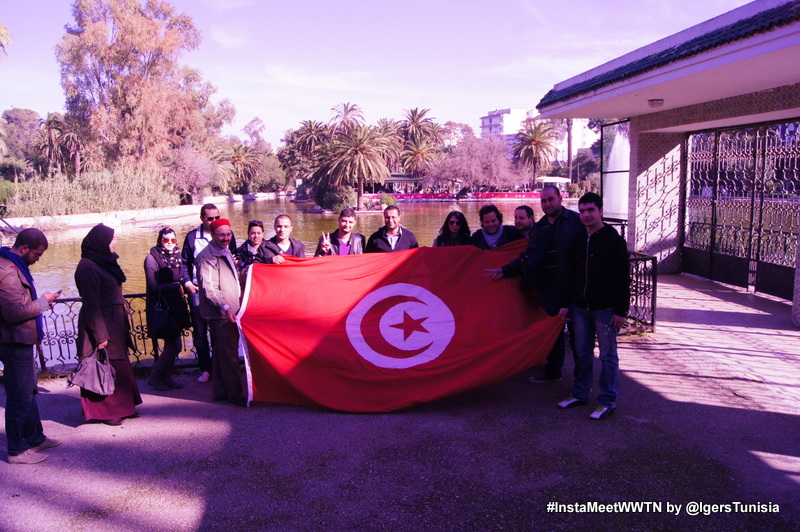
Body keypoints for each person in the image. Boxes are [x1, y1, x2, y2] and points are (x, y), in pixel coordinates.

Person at [486, 185, 584, 383]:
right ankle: (553, 373)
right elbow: (528, 257)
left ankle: (582, 382)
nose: (547, 204)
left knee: (579, 337)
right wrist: (505, 270)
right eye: (543, 201)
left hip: (574, 290)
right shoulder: (540, 228)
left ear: (560, 198)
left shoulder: (576, 221)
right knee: (552, 335)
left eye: (550, 199)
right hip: (549, 289)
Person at [558, 193, 631, 420]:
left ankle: (608, 400)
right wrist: (565, 304)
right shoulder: (577, 240)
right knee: (582, 353)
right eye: (581, 211)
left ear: (600, 210)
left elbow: (623, 278)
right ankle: (581, 393)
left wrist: (621, 310)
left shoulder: (613, 239)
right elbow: (569, 275)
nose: (586, 215)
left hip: (606, 309)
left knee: (608, 355)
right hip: (579, 308)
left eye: (590, 210)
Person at [0, 229, 62, 464]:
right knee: (20, 396)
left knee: (28, 392)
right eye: (37, 254)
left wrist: (41, 303)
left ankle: (35, 438)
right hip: (14, 342)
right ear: (24, 248)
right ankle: (16, 450)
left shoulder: (15, 266)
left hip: (21, 340)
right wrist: (43, 301)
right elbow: (14, 312)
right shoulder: (7, 271)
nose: (38, 259)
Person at [75, 224, 142, 426]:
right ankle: (105, 411)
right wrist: (100, 335)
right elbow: (91, 303)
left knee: (118, 365)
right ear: (101, 242)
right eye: (112, 239)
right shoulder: (87, 267)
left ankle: (123, 407)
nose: (115, 242)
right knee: (102, 366)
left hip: (115, 322)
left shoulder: (104, 261)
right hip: (101, 323)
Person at [182, 203, 236, 384]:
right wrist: (187, 282)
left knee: (218, 332)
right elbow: (184, 262)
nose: (214, 220)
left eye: (217, 217)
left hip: (219, 291)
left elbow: (232, 255)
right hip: (198, 289)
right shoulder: (192, 237)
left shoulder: (226, 234)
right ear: (202, 218)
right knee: (200, 331)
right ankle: (205, 368)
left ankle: (216, 367)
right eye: (210, 218)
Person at [196, 218, 246, 406]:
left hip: (229, 311)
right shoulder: (206, 256)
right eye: (222, 235)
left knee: (220, 354)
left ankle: (220, 391)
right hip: (221, 314)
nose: (226, 238)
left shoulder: (224, 251)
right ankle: (235, 394)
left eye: (228, 234)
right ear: (212, 235)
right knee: (230, 355)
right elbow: (209, 288)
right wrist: (225, 307)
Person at [144, 227, 191, 392]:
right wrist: (175, 285)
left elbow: (182, 276)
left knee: (174, 344)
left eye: (173, 240)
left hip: (175, 306)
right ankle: (155, 377)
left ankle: (166, 376)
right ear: (160, 240)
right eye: (166, 240)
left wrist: (186, 284)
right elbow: (153, 286)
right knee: (174, 345)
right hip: (161, 307)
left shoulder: (177, 256)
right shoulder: (151, 259)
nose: (170, 243)